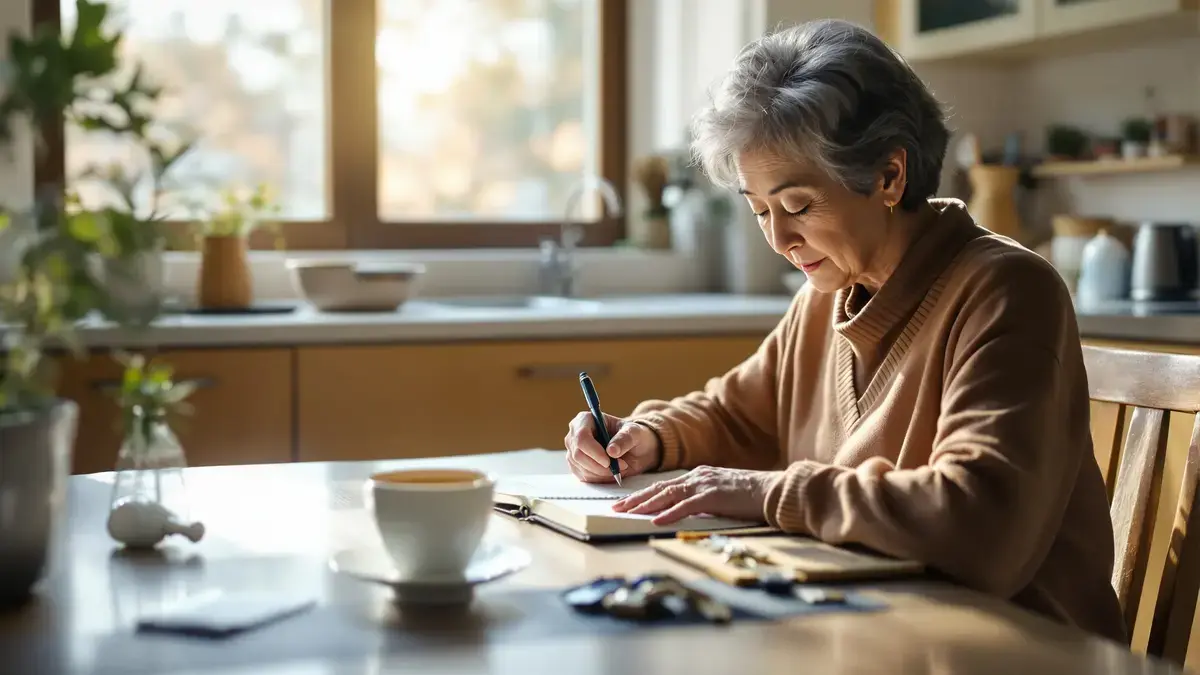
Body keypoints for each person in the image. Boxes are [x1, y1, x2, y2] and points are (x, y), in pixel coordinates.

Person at [563, 19, 1126, 643]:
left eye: (798, 206)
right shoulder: (825, 297)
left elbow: (978, 523)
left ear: (888, 176)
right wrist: (647, 436)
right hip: (876, 633)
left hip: (1015, 650)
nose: (778, 239)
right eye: (759, 211)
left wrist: (770, 494)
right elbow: (738, 416)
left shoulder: (1006, 291)